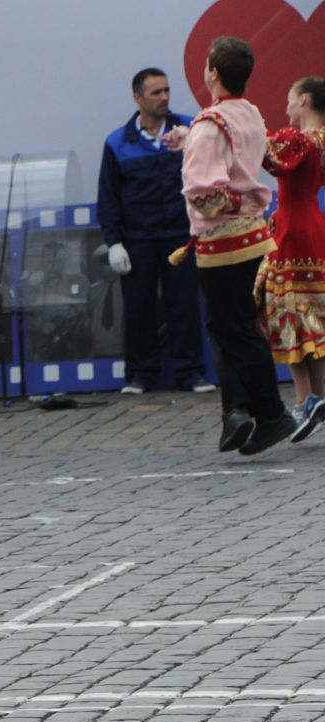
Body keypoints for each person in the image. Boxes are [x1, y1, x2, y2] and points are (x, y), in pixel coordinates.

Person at [172, 37, 296, 455]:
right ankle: (240, 413)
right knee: (237, 326)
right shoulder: (249, 113)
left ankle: (269, 413)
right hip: (256, 239)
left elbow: (204, 193)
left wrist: (230, 200)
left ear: (213, 73)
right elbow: (257, 157)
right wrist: (189, 139)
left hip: (222, 242)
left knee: (234, 330)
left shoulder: (210, 125)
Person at [99, 68, 207, 395]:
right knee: (138, 308)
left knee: (185, 306)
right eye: (156, 92)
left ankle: (190, 374)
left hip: (181, 236)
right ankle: (142, 375)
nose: (164, 97)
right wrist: (114, 242)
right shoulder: (118, 143)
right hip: (138, 240)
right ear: (138, 98)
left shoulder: (189, 130)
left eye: (167, 91)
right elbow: (108, 196)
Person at [262, 77, 325, 440]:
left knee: (290, 311)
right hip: (314, 224)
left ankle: (304, 399)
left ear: (304, 100)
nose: (286, 106)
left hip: (292, 227)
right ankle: (317, 397)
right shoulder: (322, 141)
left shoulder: (297, 138)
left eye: (289, 99)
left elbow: (270, 160)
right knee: (314, 312)